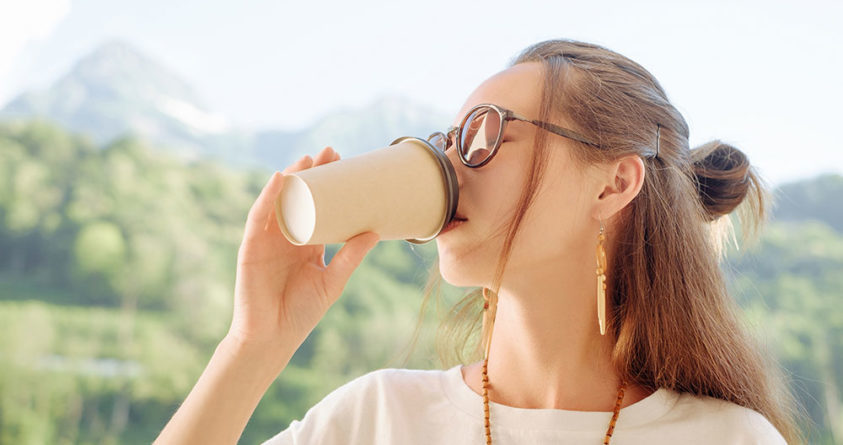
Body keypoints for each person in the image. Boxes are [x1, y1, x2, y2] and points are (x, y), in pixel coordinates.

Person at [155, 39, 801, 444]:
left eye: (485, 134)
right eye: (448, 138)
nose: (451, 164)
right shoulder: (376, 417)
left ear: (613, 184)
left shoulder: (727, 438)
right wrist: (251, 343)